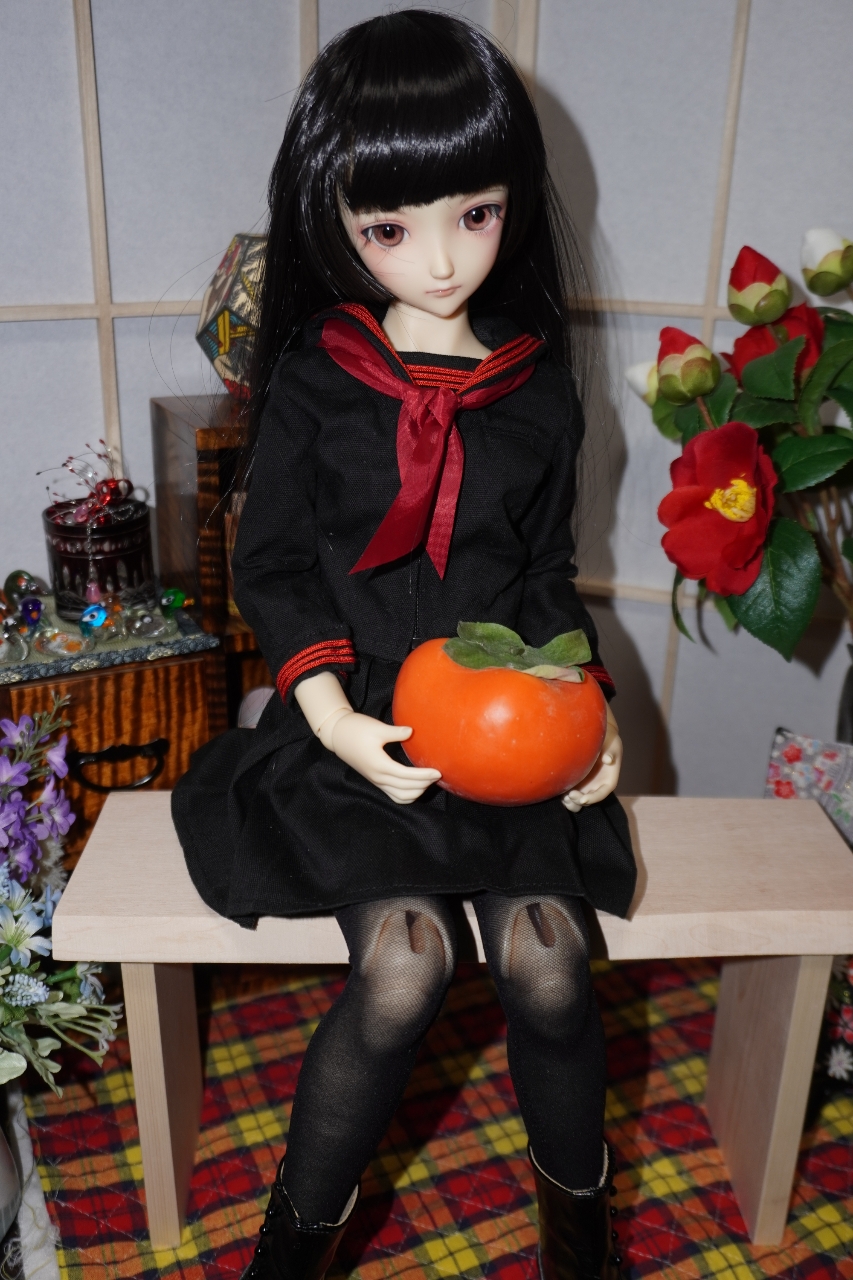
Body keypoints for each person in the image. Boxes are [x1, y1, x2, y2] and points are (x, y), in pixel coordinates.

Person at [173, 12, 636, 1280]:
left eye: (473, 214)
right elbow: (271, 567)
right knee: (403, 964)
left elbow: (542, 576)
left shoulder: (536, 388)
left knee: (549, 957)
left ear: (513, 203)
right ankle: (288, 1259)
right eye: (389, 228)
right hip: (359, 722)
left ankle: (580, 1249)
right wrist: (327, 713)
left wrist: (588, 707)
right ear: (333, 219)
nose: (438, 258)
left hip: (503, 723)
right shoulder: (318, 376)